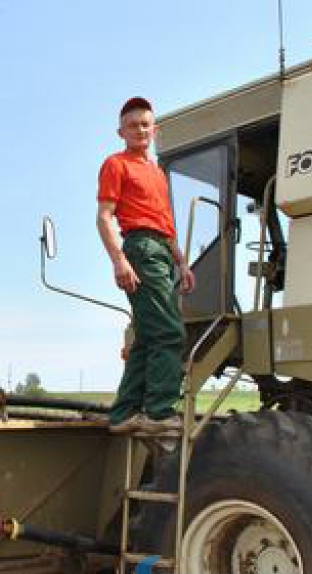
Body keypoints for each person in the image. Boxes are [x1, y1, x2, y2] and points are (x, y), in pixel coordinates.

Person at [97, 97, 195, 435]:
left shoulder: (156, 174)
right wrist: (119, 260)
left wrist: (181, 262)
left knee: (149, 335)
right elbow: (104, 216)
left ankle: (124, 413)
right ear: (121, 132)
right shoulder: (116, 164)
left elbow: (165, 224)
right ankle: (159, 412)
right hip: (140, 249)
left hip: (162, 251)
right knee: (170, 332)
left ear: (155, 130)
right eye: (133, 125)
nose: (140, 129)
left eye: (145, 124)